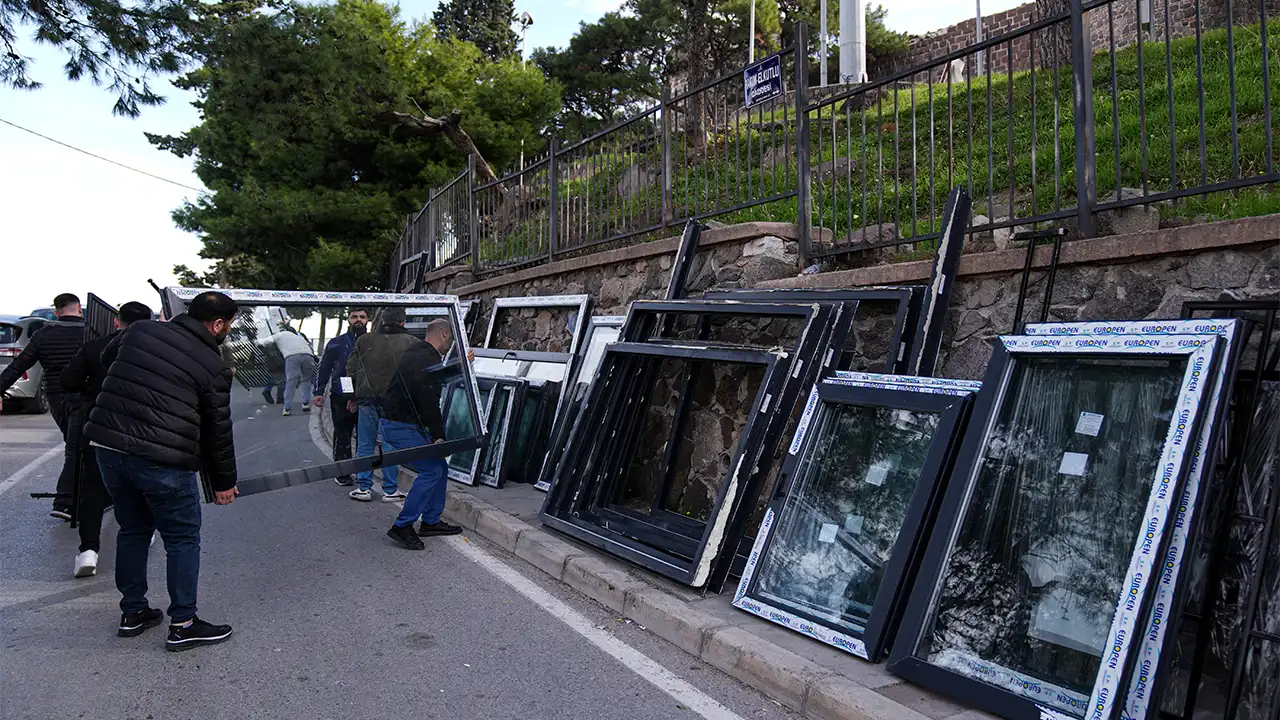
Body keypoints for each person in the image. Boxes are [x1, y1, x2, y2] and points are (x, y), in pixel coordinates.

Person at [85, 291, 239, 651]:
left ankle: (132, 613)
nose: (227, 331)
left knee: (133, 529)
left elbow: (109, 360)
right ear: (217, 324)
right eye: (228, 325)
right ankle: (184, 623)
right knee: (183, 538)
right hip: (164, 458)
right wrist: (224, 483)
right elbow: (218, 430)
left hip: (109, 448)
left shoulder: (140, 331)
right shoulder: (213, 364)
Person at [59, 301, 153, 578]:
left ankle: (88, 550)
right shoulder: (154, 350)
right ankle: (143, 532)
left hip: (99, 425)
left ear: (116, 321)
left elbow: (68, 380)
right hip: (141, 427)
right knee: (143, 482)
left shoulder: (94, 346)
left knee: (93, 487)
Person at [0, 292, 86, 519]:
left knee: (74, 442)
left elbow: (19, 365)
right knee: (78, 446)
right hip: (84, 394)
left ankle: (75, 495)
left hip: (56, 395)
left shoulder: (45, 333)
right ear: (79, 309)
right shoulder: (91, 332)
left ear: (57, 312)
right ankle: (68, 499)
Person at [382, 318, 465, 550]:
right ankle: (402, 526)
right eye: (452, 339)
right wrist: (438, 434)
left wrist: (459, 367)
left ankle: (430, 522)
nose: (451, 345)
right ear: (445, 334)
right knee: (432, 469)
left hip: (400, 423)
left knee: (440, 466)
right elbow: (429, 398)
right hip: (400, 426)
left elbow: (426, 383)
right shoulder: (427, 357)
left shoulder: (417, 352)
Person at [345, 307, 418, 503]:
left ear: (381, 321)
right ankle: (390, 490)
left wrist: (352, 397)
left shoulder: (364, 340)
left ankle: (363, 487)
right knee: (390, 446)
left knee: (365, 445)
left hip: (367, 400)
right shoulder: (413, 343)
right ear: (403, 322)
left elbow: (350, 369)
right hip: (395, 403)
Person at [312, 309, 369, 487]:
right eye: (354, 317)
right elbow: (324, 367)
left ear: (368, 319)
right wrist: (319, 392)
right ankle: (342, 473)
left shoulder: (374, 342)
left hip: (366, 396)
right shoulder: (336, 343)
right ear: (348, 319)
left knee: (365, 436)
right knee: (342, 435)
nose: (358, 320)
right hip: (340, 396)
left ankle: (363, 474)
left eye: (362, 317)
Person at [256, 323, 314, 416]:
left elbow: (266, 341)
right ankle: (305, 404)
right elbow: (310, 347)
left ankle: (287, 408)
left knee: (291, 381)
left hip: (292, 356)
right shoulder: (299, 337)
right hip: (308, 355)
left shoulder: (281, 334)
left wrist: (256, 341)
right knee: (306, 380)